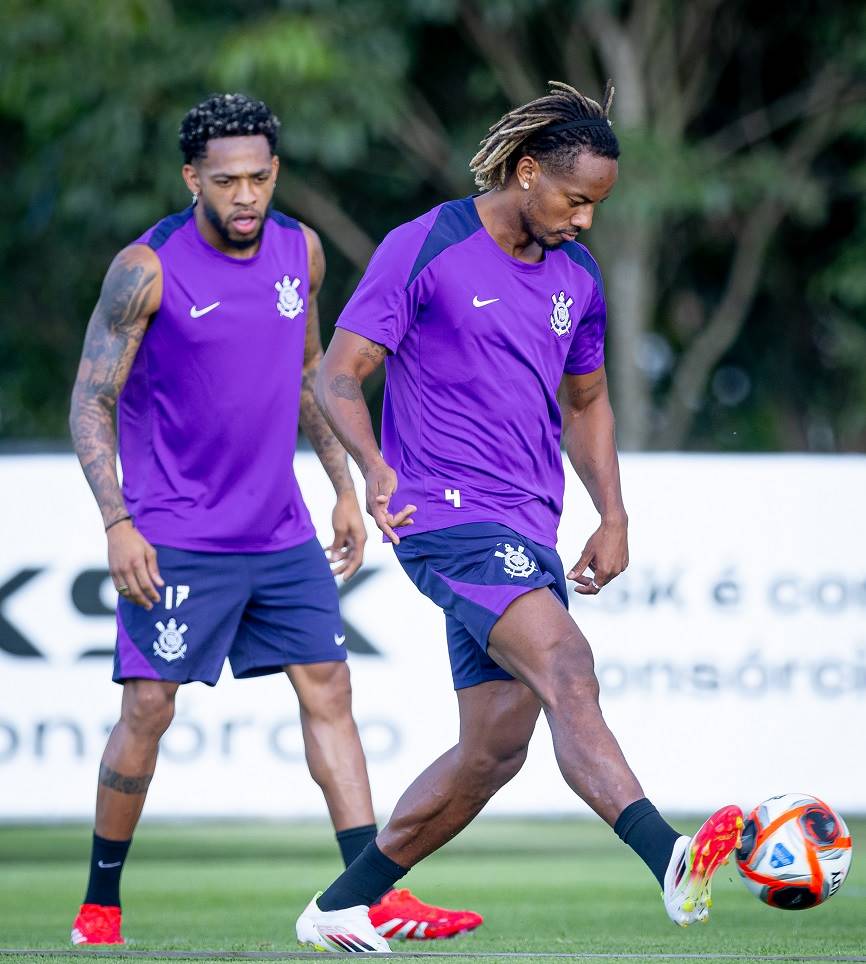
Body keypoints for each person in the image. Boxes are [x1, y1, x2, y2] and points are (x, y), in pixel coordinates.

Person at [296, 81, 744, 953]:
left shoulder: (576, 275)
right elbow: (338, 374)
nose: (585, 220)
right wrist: (377, 471)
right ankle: (668, 855)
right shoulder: (428, 242)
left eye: (597, 206)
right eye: (576, 200)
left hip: (527, 526)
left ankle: (340, 907)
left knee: (494, 751)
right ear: (528, 171)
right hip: (444, 516)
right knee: (568, 665)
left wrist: (612, 513)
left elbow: (587, 405)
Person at [67, 92, 481, 947]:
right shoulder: (144, 268)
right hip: (174, 533)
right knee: (149, 708)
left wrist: (340, 484)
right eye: (227, 181)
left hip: (280, 529)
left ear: (276, 173)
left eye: (259, 177)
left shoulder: (302, 251)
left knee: (331, 692)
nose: (246, 195)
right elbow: (91, 400)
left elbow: (307, 375)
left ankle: (369, 894)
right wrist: (117, 522)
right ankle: (100, 905)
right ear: (193, 178)